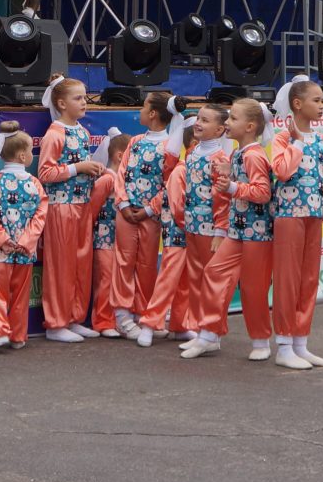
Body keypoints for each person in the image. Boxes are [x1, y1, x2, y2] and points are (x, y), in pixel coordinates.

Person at [196, 97, 277, 363]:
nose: (228, 123)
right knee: (214, 271)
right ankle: (209, 334)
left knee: (254, 288)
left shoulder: (254, 154)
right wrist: (227, 173)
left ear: (250, 126)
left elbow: (263, 193)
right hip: (238, 230)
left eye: (233, 119)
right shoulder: (239, 153)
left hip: (257, 233)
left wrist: (231, 187)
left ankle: (261, 340)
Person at [265, 78, 323, 370]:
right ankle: (283, 344)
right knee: (287, 280)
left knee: (308, 280)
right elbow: (281, 172)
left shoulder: (322, 140)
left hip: (313, 217)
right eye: (316, 100)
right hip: (288, 217)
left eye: (321, 101)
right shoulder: (282, 137)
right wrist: (295, 142)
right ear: (297, 104)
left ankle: (300, 343)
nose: (321, 106)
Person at [35, 76, 102, 343]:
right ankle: (55, 323)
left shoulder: (82, 132)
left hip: (82, 205)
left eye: (85, 97)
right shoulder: (55, 133)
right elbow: (45, 173)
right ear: (61, 103)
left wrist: (94, 171)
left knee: (81, 264)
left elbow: (81, 168)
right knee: (61, 266)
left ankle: (74, 317)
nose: (84, 102)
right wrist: (79, 168)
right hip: (61, 207)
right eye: (78, 98)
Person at [115, 93, 179, 344]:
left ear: (152, 114)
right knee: (124, 262)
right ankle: (121, 315)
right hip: (126, 212)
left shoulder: (170, 148)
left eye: (143, 107)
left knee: (146, 264)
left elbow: (169, 183)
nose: (140, 111)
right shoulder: (135, 142)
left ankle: (145, 315)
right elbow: (122, 173)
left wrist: (150, 210)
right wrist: (122, 203)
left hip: (150, 217)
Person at [170, 103, 232, 359]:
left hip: (210, 229)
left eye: (206, 121)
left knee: (210, 282)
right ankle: (201, 330)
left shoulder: (219, 159)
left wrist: (220, 230)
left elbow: (222, 197)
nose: (198, 123)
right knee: (195, 279)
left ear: (219, 130)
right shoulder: (193, 152)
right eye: (198, 118)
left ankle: (211, 332)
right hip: (193, 225)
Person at [0, 130, 46, 353]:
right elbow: (40, 215)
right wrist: (26, 241)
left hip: (0, 252)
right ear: (23, 157)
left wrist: (2, 239)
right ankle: (18, 335)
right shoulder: (35, 184)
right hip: (25, 252)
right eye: (30, 152)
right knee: (20, 294)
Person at [86, 131, 129, 337]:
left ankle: (117, 318)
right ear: (120, 156)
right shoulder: (106, 180)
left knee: (116, 279)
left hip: (119, 238)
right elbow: (91, 210)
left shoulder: (122, 180)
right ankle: (103, 321)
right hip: (103, 238)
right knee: (105, 278)